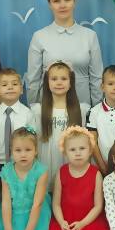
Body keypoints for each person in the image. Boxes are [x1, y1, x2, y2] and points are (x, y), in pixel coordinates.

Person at [25, 0, 103, 107]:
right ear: (50, 4)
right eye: (56, 1)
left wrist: (96, 111)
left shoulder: (90, 36)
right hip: (48, 110)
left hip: (83, 108)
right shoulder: (39, 37)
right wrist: (34, 109)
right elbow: (33, 80)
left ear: (74, 2)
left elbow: (96, 79)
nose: (62, 5)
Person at [29, 61, 90, 189]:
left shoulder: (81, 110)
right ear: (47, 82)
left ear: (71, 82)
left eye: (64, 78)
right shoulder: (38, 111)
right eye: (54, 79)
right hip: (46, 162)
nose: (59, 82)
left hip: (70, 163)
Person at [0, 69, 34, 174]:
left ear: (21, 89)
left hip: (22, 162)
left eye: (14, 84)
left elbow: (33, 141)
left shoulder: (28, 114)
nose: (10, 87)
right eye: (4, 85)